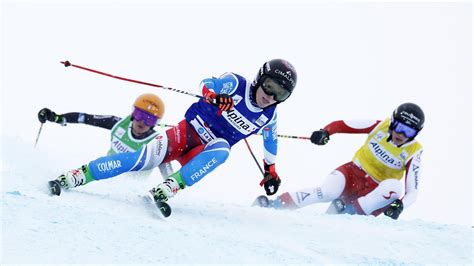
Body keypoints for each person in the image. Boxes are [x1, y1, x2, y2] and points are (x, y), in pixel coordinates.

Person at [48, 59, 298, 204]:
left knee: (222, 151)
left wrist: (271, 171)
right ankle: (76, 176)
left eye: (281, 94)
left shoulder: (270, 116)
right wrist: (213, 96)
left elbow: (270, 142)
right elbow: (206, 83)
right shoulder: (236, 83)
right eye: (270, 86)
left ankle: (167, 189)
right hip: (186, 134)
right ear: (260, 79)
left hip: (202, 152)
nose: (271, 96)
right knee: (136, 161)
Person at [258, 103, 424, 220]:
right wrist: (325, 132)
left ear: (416, 133)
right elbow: (342, 125)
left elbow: (412, 192)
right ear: (392, 121)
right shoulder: (380, 126)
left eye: (408, 131)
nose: (400, 134)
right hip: (353, 174)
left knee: (395, 187)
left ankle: (349, 214)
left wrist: (400, 206)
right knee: (327, 191)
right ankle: (277, 205)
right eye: (398, 126)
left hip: (373, 193)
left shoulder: (414, 151)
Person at [39, 93, 174, 179]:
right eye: (139, 115)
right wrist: (56, 117)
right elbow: (85, 118)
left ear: (156, 123)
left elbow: (169, 175)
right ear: (133, 113)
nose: (142, 122)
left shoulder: (158, 143)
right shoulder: (118, 123)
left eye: (149, 119)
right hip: (106, 175)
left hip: (131, 189)